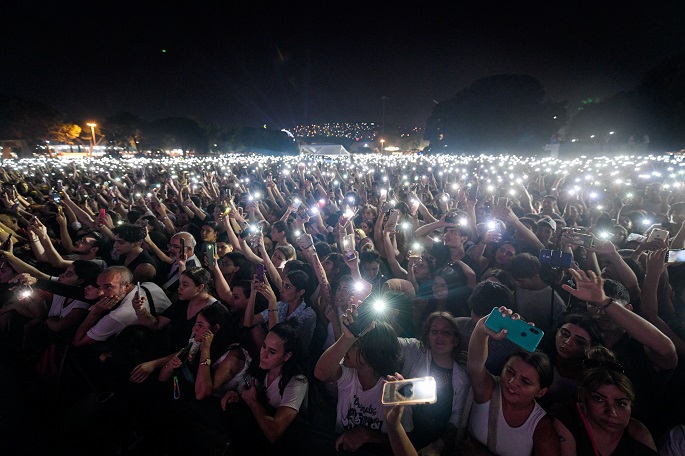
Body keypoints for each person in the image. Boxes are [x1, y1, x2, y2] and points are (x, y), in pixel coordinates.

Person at [465, 306, 560, 456]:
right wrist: (481, 330)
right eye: (510, 371)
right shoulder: (489, 391)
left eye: (526, 381)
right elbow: (475, 366)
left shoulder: (541, 428)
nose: (513, 382)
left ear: (541, 392)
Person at [314, 312, 409, 455]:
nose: (348, 347)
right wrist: (346, 337)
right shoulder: (349, 374)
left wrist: (368, 435)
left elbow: (406, 441)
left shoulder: (392, 388)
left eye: (355, 344)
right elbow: (320, 373)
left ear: (373, 352)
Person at [221, 321, 309, 455]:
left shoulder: (297, 382)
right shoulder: (264, 370)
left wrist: (252, 401)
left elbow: (274, 432)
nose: (264, 354)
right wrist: (238, 396)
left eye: (272, 352)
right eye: (263, 346)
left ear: (287, 356)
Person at [551, 345, 658, 455]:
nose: (611, 412)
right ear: (583, 397)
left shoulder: (637, 432)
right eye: (599, 399)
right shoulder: (566, 415)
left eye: (621, 403)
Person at [397, 311, 470, 455]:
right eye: (434, 331)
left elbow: (456, 419)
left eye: (446, 332)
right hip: (404, 435)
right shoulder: (416, 350)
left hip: (436, 444)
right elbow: (390, 341)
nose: (439, 337)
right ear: (428, 336)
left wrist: (438, 446)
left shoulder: (462, 378)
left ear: (455, 340)